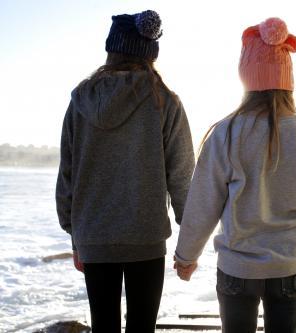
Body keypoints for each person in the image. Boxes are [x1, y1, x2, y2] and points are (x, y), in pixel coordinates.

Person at [174, 17, 296, 333]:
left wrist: (186, 255)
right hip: (291, 266)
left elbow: (204, 202)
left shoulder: (225, 133)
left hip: (238, 269)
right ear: (288, 80)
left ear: (246, 78)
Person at [55, 10, 195, 333]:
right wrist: (190, 238)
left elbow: (68, 175)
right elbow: (183, 175)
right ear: (150, 54)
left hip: (94, 237)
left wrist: (75, 234)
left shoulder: (80, 101)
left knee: (103, 327)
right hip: (145, 239)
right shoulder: (165, 101)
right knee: (142, 328)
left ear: (111, 50)